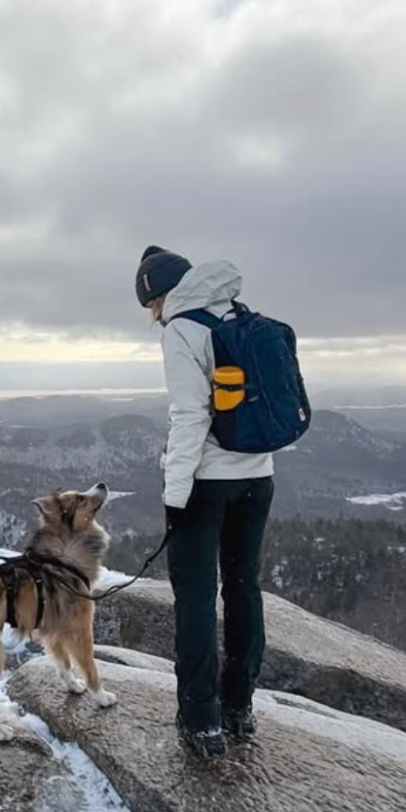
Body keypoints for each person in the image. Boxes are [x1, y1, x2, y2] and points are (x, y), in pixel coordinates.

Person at [135, 246, 275, 759]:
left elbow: (190, 417)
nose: (153, 317)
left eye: (150, 306)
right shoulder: (240, 315)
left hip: (207, 483)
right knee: (243, 589)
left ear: (158, 295)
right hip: (259, 477)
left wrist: (175, 497)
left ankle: (201, 720)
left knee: (195, 598)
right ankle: (240, 707)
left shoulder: (182, 329)